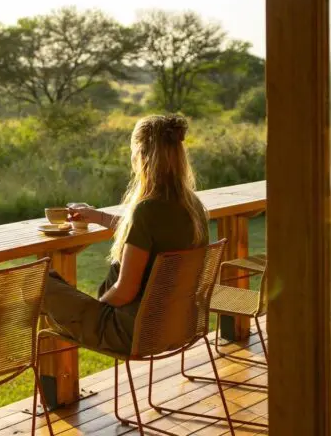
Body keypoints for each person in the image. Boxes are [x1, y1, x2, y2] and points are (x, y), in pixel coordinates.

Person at [41, 114, 209, 354]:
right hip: (177, 327)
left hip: (132, 333)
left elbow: (124, 292)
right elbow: (145, 231)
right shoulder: (192, 206)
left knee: (39, 282)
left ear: (142, 156)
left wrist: (97, 309)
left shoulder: (147, 210)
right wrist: (97, 217)